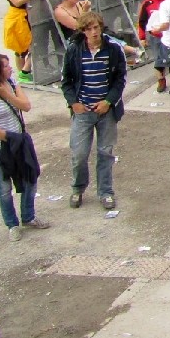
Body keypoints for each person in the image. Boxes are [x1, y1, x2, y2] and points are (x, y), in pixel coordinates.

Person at [61, 12, 126, 210]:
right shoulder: (74, 51)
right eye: (89, 29)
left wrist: (108, 101)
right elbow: (66, 82)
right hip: (83, 111)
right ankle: (78, 188)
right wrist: (74, 103)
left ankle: (105, 192)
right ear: (83, 31)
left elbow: (119, 80)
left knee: (105, 153)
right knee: (79, 154)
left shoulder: (113, 50)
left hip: (106, 111)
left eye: (96, 27)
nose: (94, 32)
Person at [0, 53, 46, 241]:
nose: (10, 68)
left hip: (19, 143)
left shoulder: (12, 83)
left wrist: (7, 94)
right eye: (5, 66)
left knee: (31, 177)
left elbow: (26, 106)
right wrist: (11, 138)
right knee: (4, 187)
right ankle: (12, 224)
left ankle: (28, 216)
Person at [1, 0, 41, 83]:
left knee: (33, 43)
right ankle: (22, 73)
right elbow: (17, 2)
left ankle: (25, 71)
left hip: (30, 13)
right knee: (21, 47)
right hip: (17, 15)